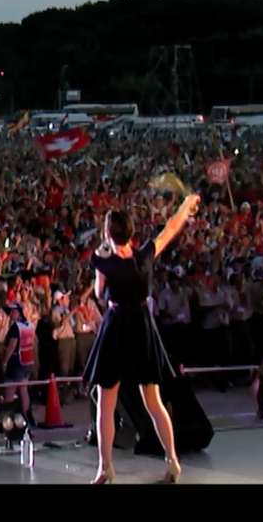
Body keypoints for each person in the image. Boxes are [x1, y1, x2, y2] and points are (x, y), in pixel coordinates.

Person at [82, 195, 199, 485]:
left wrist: (103, 254)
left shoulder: (102, 260)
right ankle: (172, 459)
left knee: (105, 403)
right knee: (154, 402)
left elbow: (99, 293)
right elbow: (170, 229)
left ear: (108, 233)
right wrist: (186, 206)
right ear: (132, 232)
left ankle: (105, 467)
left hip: (117, 325)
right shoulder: (145, 256)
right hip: (143, 326)